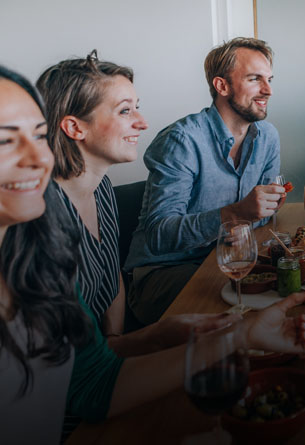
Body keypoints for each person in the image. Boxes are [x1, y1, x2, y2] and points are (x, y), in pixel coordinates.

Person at [0, 65, 305, 445]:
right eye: (6, 140)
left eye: (38, 135)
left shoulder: (50, 230)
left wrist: (161, 335)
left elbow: (91, 374)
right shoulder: (42, 226)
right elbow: (84, 391)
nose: (38, 158)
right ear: (74, 128)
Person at [36, 53, 236, 358]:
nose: (142, 123)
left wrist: (116, 337)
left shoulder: (101, 187)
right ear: (75, 128)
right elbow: (69, 366)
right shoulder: (39, 222)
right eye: (125, 111)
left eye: (136, 108)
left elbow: (111, 273)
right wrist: (148, 340)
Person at [125, 37, 286, 325]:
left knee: (291, 283)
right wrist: (238, 213)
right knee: (247, 313)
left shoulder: (267, 137)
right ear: (221, 86)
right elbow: (159, 235)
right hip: (166, 271)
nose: (268, 90)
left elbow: (259, 217)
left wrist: (264, 208)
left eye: (269, 79)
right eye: (255, 79)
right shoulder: (181, 141)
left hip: (225, 262)